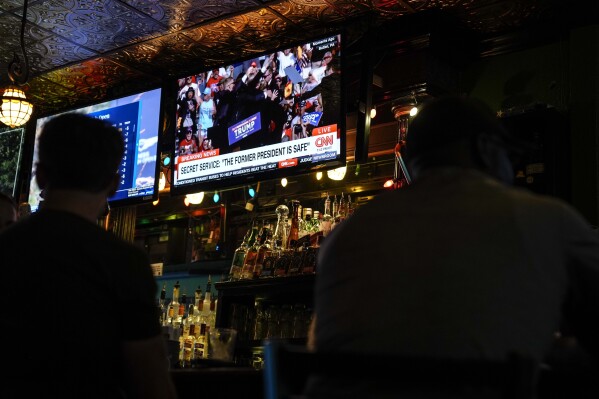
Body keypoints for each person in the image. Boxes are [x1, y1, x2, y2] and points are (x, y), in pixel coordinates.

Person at [308, 95, 599, 397]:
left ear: (410, 161)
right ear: (485, 149)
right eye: (508, 158)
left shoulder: (344, 235)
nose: (511, 172)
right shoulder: (547, 218)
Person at [0, 113, 178, 399]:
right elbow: (152, 385)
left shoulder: (6, 247)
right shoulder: (124, 262)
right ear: (114, 184)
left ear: (40, 175)